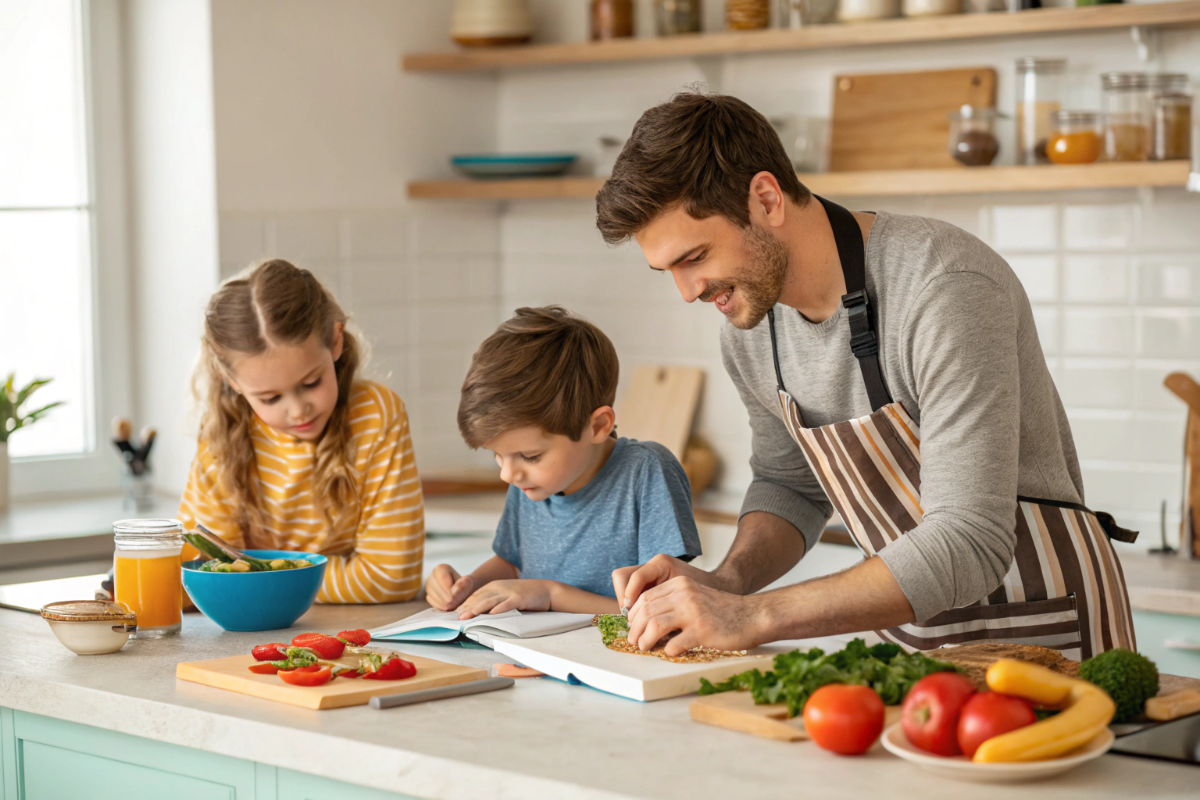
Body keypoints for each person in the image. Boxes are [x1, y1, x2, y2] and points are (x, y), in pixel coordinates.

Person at [596, 92, 1136, 661]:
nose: (687, 292)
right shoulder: (749, 324)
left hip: (1043, 633)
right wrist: (727, 582)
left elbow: (971, 540)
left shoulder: (944, 287)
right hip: (912, 643)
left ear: (765, 198)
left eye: (694, 257)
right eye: (669, 271)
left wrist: (754, 615)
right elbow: (790, 486)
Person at [424, 306, 702, 618]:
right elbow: (513, 567)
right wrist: (467, 584)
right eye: (497, 456)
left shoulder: (647, 473)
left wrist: (549, 593)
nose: (507, 474)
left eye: (530, 456)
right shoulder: (529, 480)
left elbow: (662, 607)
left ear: (597, 426)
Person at [177, 259, 423, 603]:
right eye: (270, 397)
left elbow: (390, 578)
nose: (297, 410)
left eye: (311, 383)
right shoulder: (222, 433)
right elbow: (205, 568)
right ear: (230, 380)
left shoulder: (377, 416)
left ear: (336, 340)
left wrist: (256, 576)